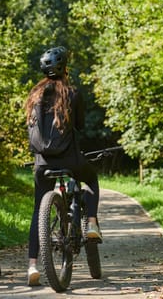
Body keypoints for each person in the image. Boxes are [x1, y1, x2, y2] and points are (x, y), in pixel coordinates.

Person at [24, 46, 101, 286]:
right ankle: (90, 223)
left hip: (42, 163)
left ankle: (32, 266)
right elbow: (79, 126)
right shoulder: (72, 93)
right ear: (65, 68)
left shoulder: (34, 95)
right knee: (91, 179)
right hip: (69, 159)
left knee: (38, 211)